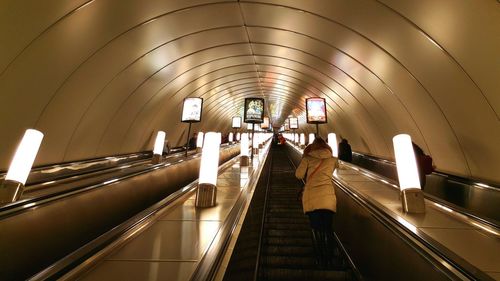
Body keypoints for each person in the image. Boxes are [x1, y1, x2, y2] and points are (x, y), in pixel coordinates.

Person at [295, 137, 339, 268]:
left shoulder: (308, 159)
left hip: (312, 197)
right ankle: (330, 258)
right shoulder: (332, 159)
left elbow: (298, 175)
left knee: (315, 228)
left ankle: (319, 258)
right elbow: (341, 168)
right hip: (328, 197)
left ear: (313, 147)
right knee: (328, 228)